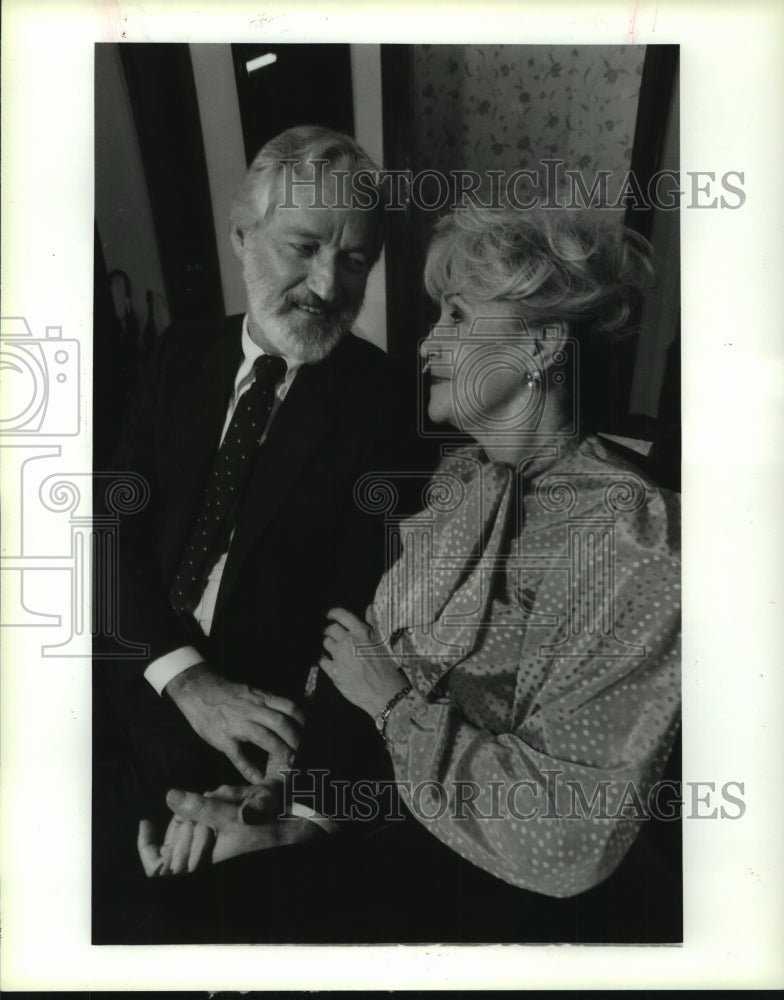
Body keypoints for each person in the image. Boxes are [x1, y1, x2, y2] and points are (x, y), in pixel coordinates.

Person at [141, 203, 681, 942]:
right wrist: (289, 811)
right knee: (179, 886)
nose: (430, 343)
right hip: (391, 839)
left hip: (518, 904)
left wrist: (393, 707)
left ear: (543, 344)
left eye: (458, 316)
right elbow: (369, 690)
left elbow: (570, 834)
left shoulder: (629, 532)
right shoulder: (459, 483)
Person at [93, 125, 407, 941]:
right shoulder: (178, 355)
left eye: (355, 260)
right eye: (303, 246)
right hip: (128, 676)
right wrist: (184, 678)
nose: (328, 284)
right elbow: (105, 527)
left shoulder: (384, 406)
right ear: (243, 238)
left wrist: (297, 800)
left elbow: (369, 621)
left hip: (252, 753)